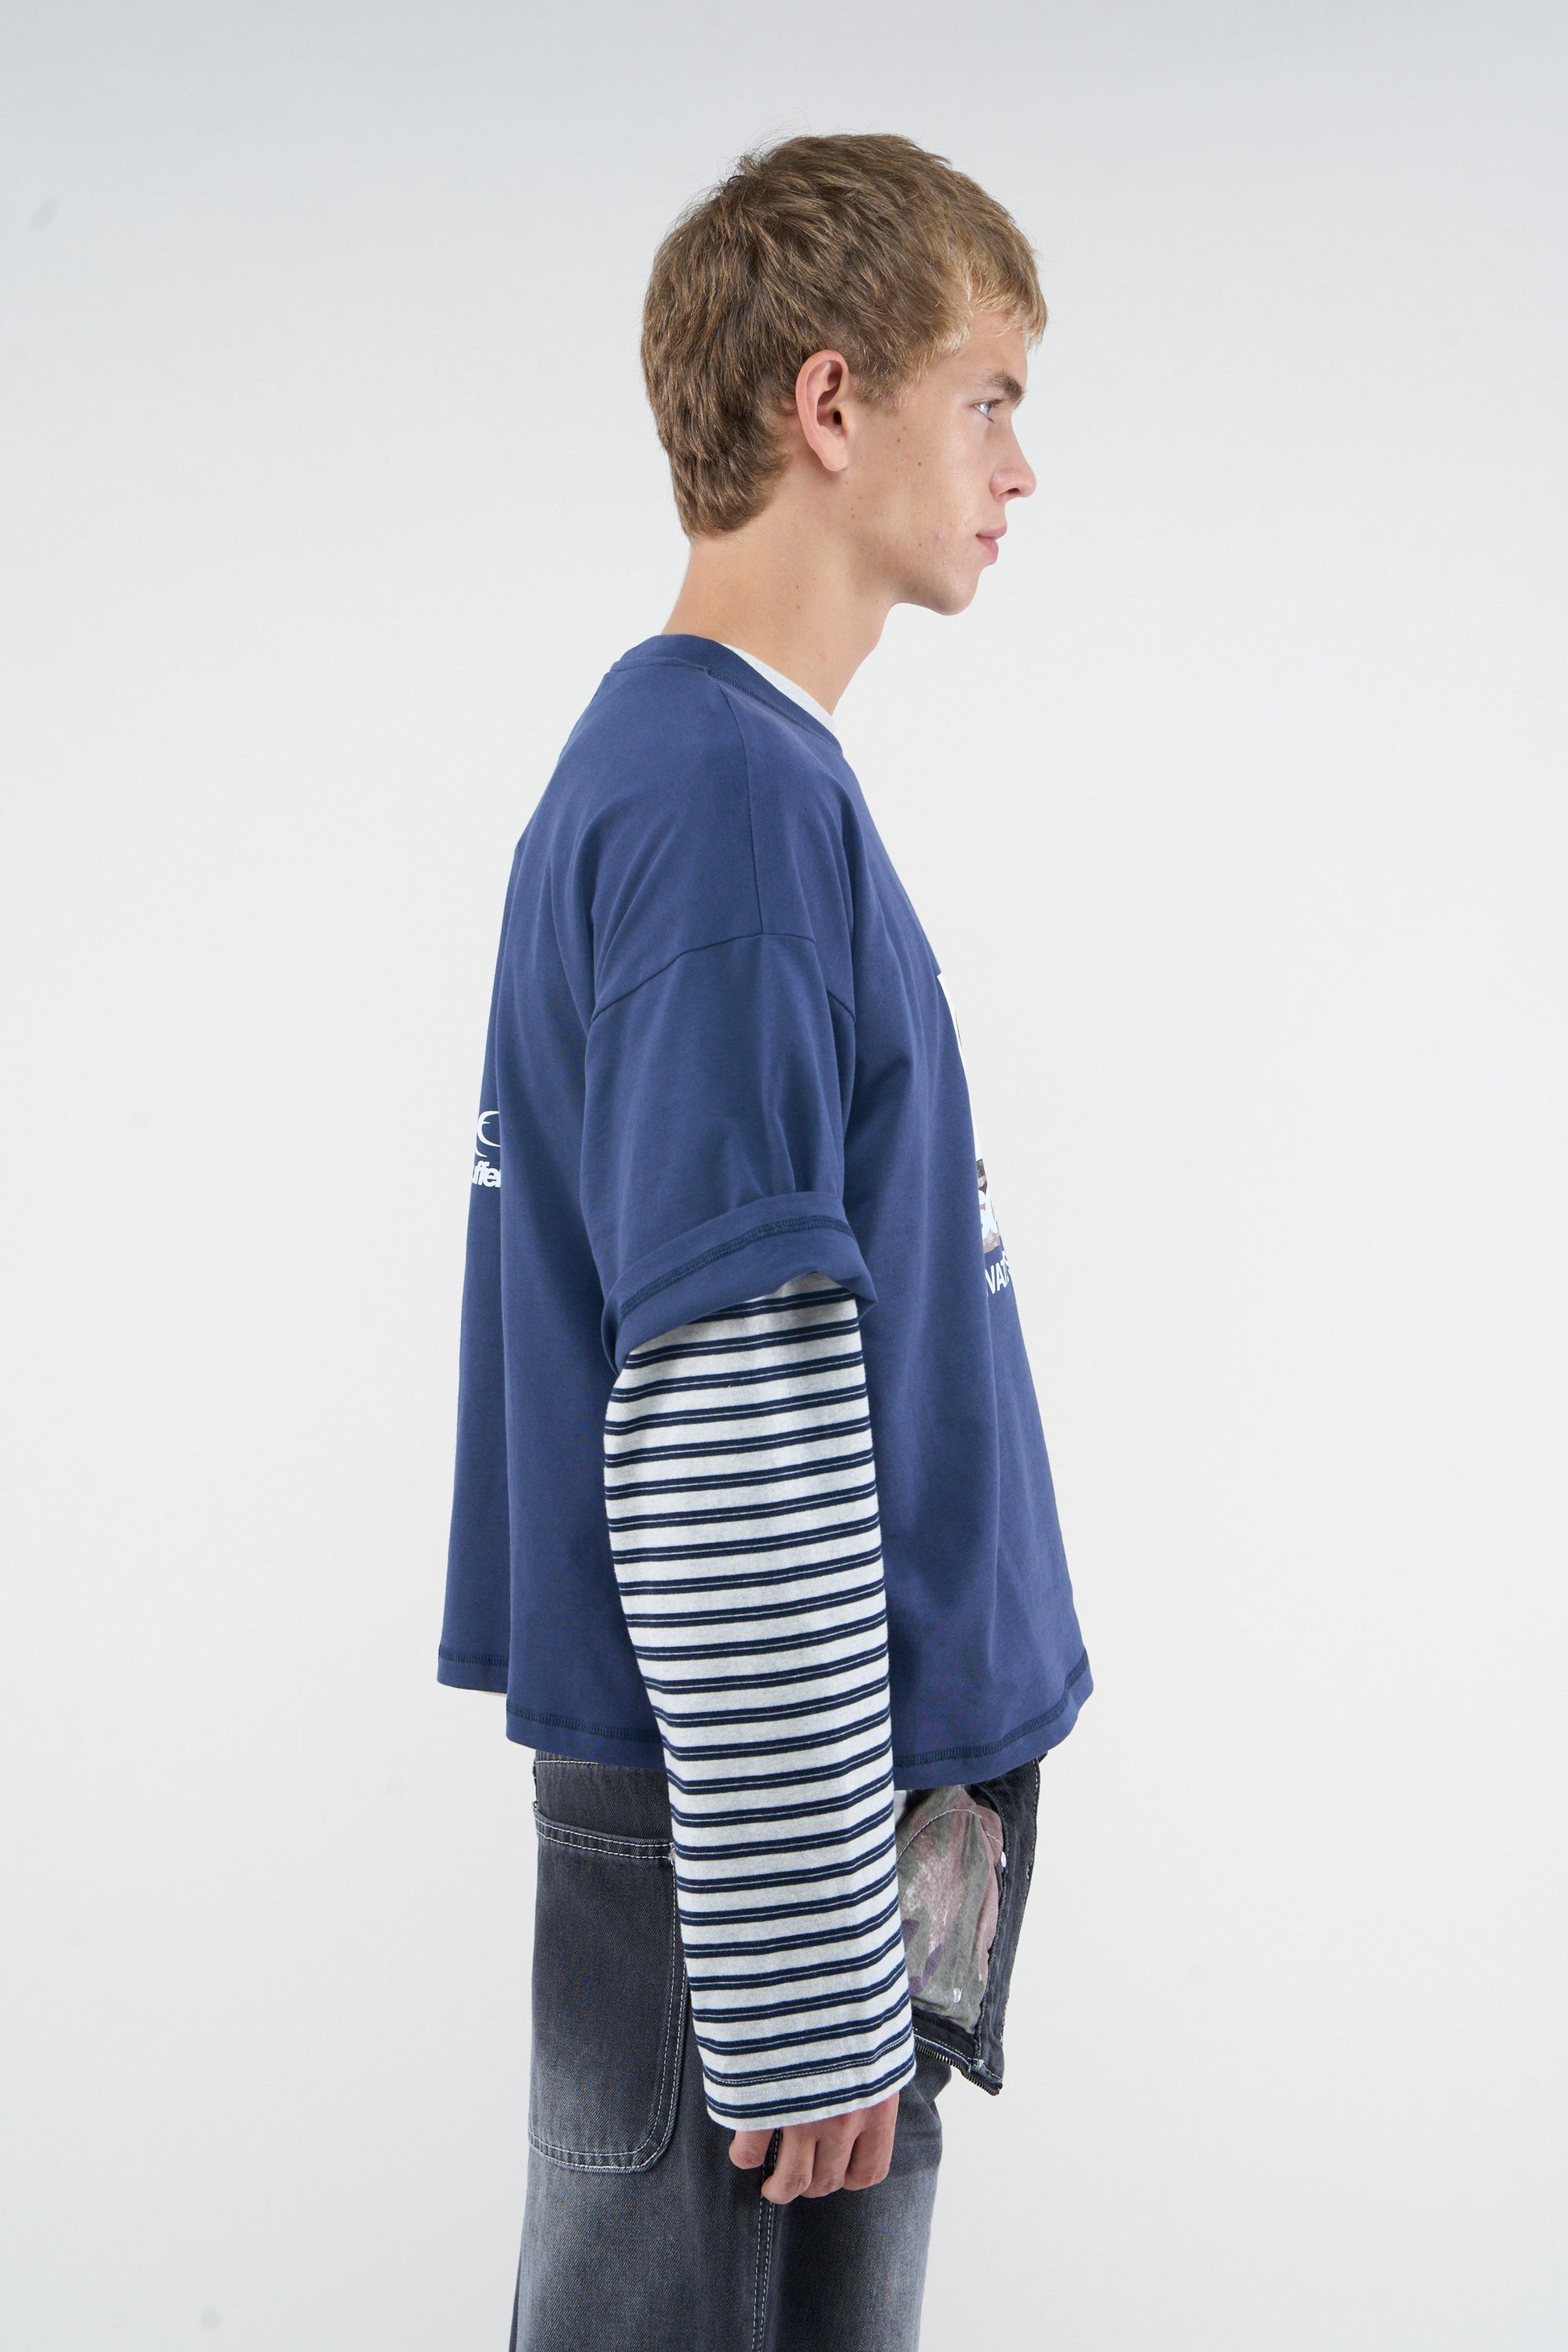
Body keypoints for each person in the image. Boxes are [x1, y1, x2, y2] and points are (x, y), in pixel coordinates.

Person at [438, 131, 1093, 2351]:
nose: (1018, 467)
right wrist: (804, 1966)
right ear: (831, 404)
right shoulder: (717, 797)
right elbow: (728, 1402)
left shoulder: (730, 772)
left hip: (785, 1817)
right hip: (756, 1849)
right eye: (986, 398)